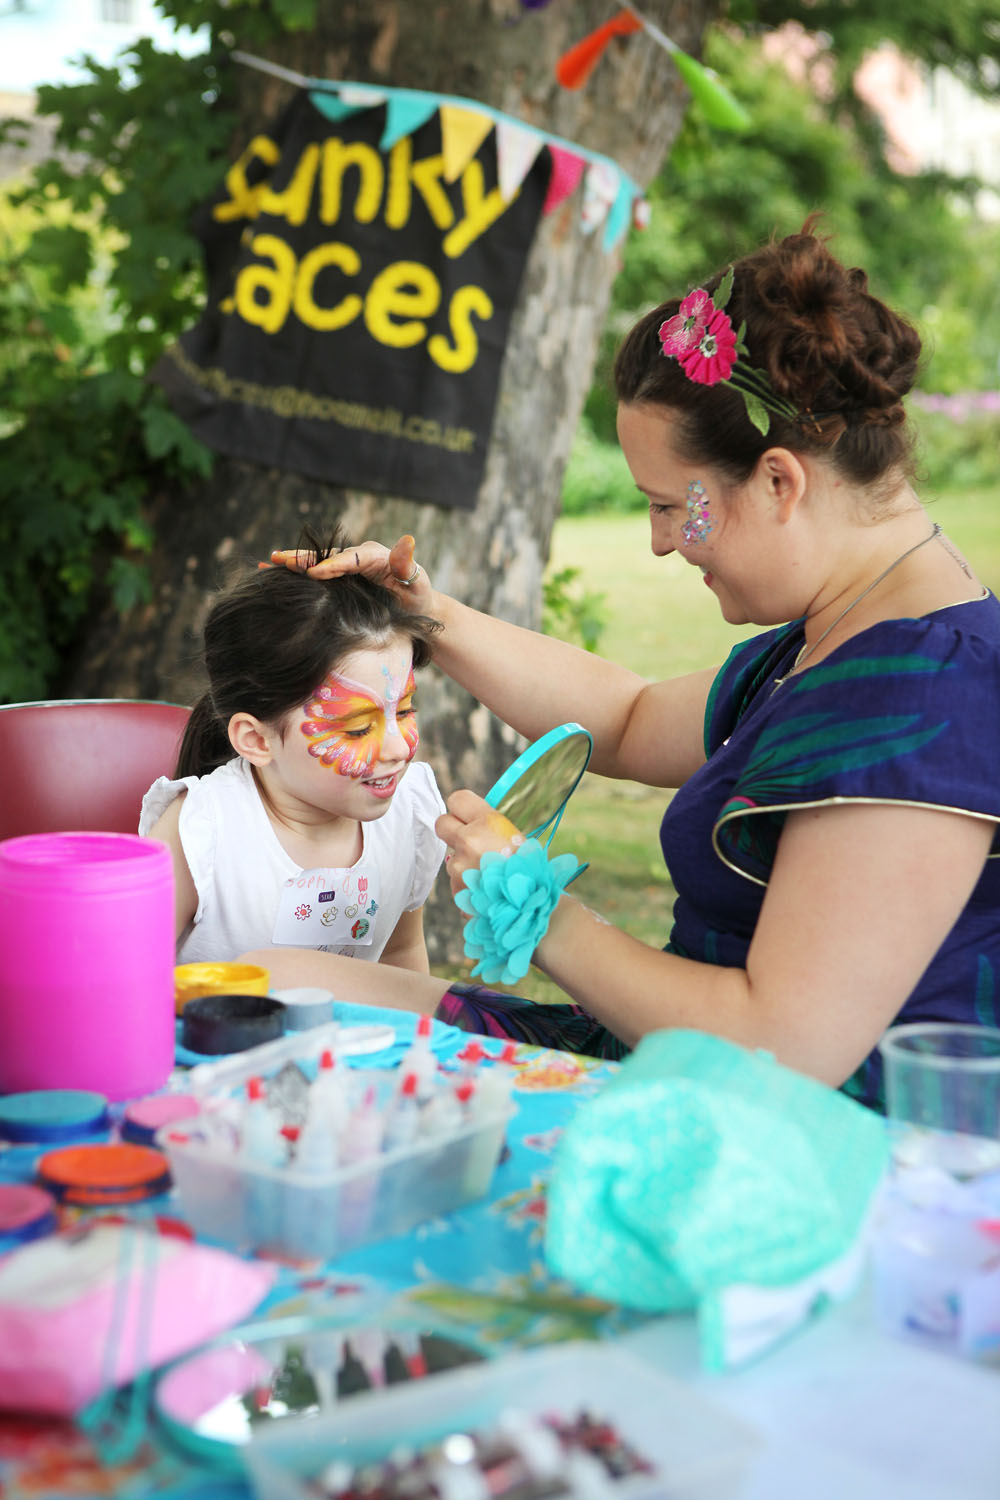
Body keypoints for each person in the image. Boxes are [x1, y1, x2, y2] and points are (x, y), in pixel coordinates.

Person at [261, 222, 1000, 1110]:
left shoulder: (926, 697)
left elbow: (783, 1046)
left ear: (779, 482)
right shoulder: (842, 633)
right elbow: (632, 717)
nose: (657, 542)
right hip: (680, 1076)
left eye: (669, 507)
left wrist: (542, 912)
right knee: (258, 983)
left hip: (788, 1146)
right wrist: (430, 616)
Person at [139, 530, 447, 973]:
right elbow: (121, 982)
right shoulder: (200, 835)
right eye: (359, 728)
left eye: (404, 711)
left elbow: (400, 958)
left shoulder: (408, 814)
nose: (398, 749)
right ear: (257, 740)